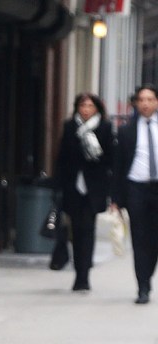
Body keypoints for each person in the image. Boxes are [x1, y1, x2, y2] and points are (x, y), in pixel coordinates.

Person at [53, 92, 115, 292]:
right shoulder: (70, 127)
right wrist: (57, 186)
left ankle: (83, 276)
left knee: (87, 230)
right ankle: (79, 267)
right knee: (76, 231)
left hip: (93, 189)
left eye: (90, 106)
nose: (86, 109)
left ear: (97, 108)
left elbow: (110, 160)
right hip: (72, 188)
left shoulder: (105, 128)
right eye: (82, 105)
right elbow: (62, 158)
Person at [113, 84, 158, 304]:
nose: (146, 104)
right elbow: (118, 166)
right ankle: (143, 287)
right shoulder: (126, 130)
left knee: (154, 240)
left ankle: (147, 274)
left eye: (150, 99)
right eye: (142, 100)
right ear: (136, 103)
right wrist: (116, 199)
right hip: (136, 188)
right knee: (139, 239)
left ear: (156, 102)